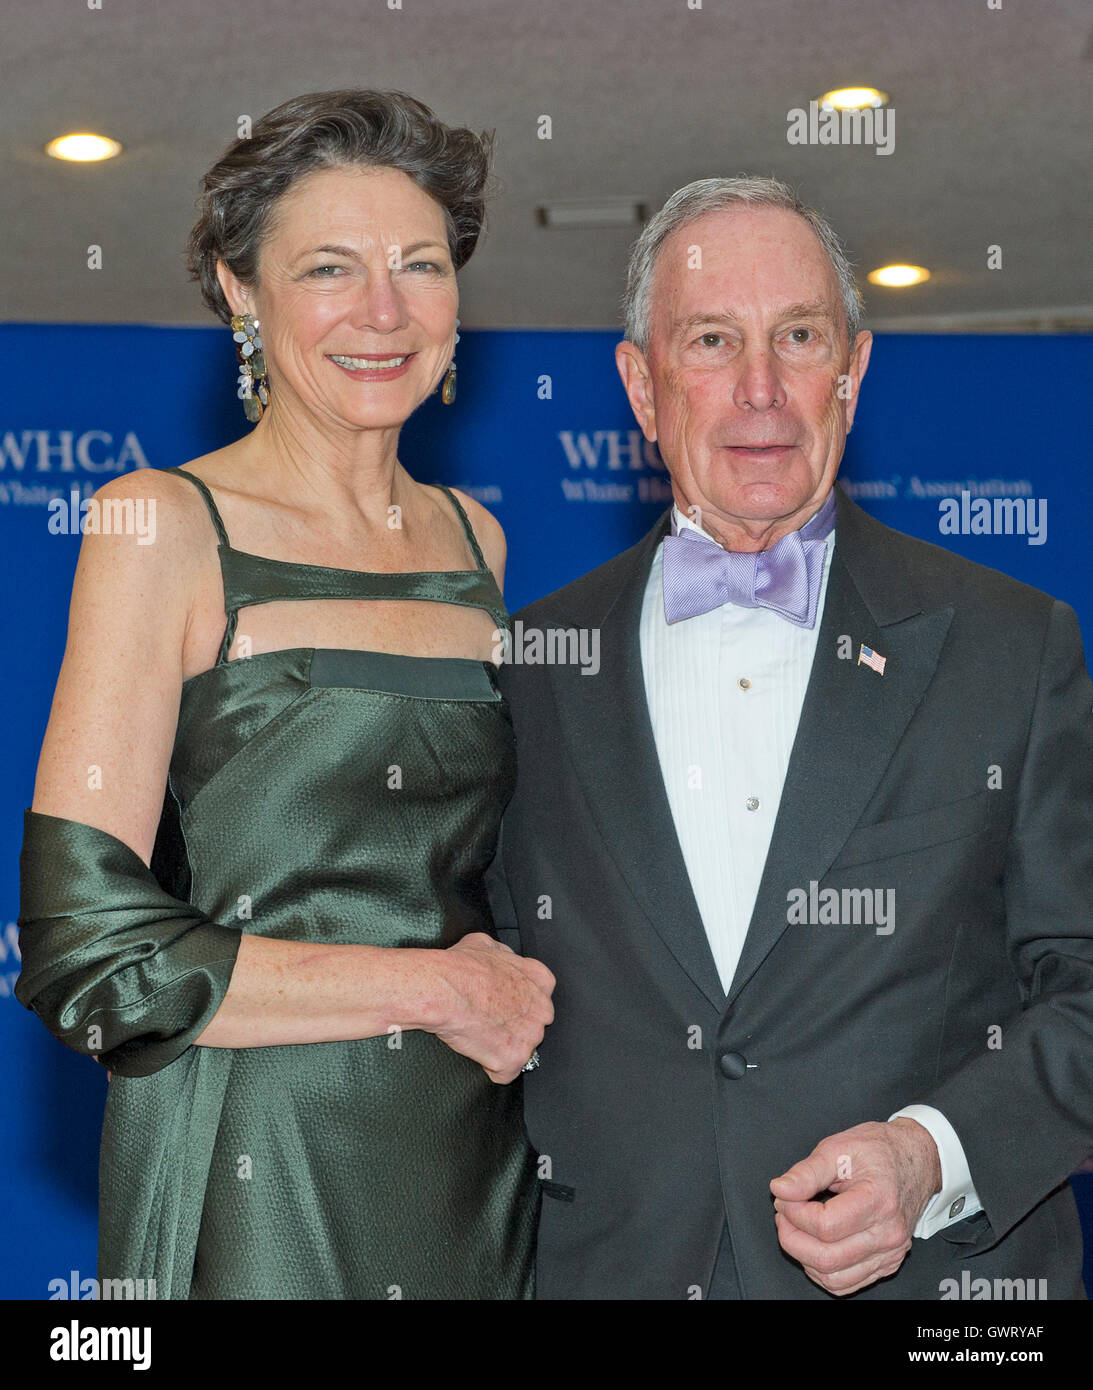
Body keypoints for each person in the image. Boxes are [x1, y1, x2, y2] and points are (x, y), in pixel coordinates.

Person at [486, 175, 1093, 1300]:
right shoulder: (524, 668)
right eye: (711, 341)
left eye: (798, 337)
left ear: (851, 371)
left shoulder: (1013, 647)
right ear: (641, 387)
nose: (759, 391)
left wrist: (931, 1156)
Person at [16, 89, 554, 1301]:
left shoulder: (480, 541)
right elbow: (84, 955)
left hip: (470, 1160)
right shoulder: (163, 523)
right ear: (240, 292)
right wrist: (430, 985)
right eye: (329, 267)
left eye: (419, 264)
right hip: (258, 1158)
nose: (383, 309)